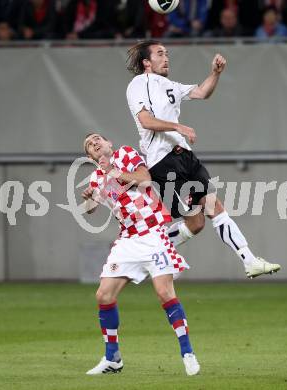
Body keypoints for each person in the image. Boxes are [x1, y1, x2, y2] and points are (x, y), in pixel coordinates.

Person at [126, 40, 281, 279]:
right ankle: (148, 254)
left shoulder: (169, 85)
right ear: (146, 62)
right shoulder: (139, 83)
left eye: (167, 53)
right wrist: (178, 126)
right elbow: (146, 120)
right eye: (159, 54)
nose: (166, 58)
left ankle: (250, 261)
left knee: (203, 218)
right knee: (197, 219)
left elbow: (201, 92)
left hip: (183, 154)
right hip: (162, 161)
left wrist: (215, 74)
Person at [82, 132, 200, 376]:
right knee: (103, 295)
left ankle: (187, 352)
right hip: (127, 239)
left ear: (109, 143)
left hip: (153, 233)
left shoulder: (125, 154)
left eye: (97, 139)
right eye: (89, 146)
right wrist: (88, 200)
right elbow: (91, 209)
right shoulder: (96, 178)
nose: (94, 143)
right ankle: (112, 358)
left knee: (164, 292)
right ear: (90, 157)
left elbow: (145, 180)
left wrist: (114, 172)